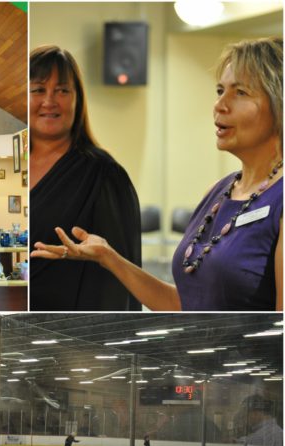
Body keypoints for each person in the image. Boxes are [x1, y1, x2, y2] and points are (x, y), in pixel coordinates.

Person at [32, 38, 283, 311]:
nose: (219, 105)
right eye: (220, 90)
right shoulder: (218, 193)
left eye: (241, 93)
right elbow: (182, 304)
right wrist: (108, 256)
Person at [27, 45, 142, 310]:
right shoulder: (8, 165)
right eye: (38, 90)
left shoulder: (104, 174)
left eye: (62, 90)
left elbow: (120, 280)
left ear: (77, 99)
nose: (50, 101)